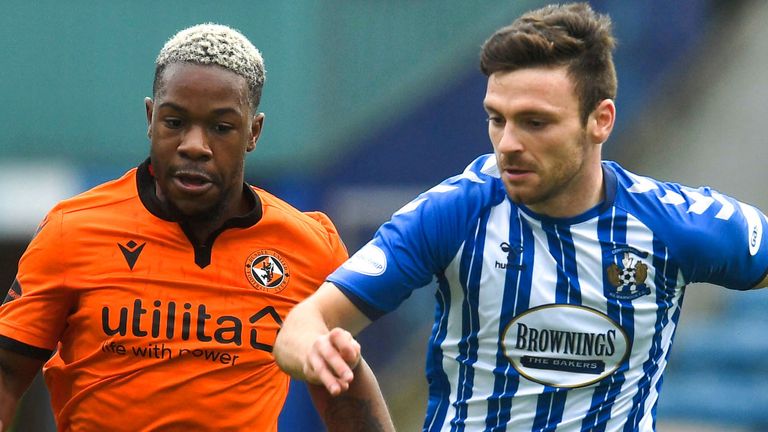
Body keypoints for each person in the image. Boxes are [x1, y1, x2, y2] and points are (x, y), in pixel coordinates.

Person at [273, 3, 768, 431]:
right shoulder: (458, 211)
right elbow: (304, 323)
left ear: (601, 120)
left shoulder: (672, 224)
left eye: (535, 122)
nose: (508, 143)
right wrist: (316, 352)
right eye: (497, 119)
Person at [0, 23, 393, 431]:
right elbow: (7, 371)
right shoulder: (73, 230)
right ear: (151, 119)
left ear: (253, 132)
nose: (194, 145)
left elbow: (341, 383)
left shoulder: (311, 246)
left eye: (221, 128)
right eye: (174, 122)